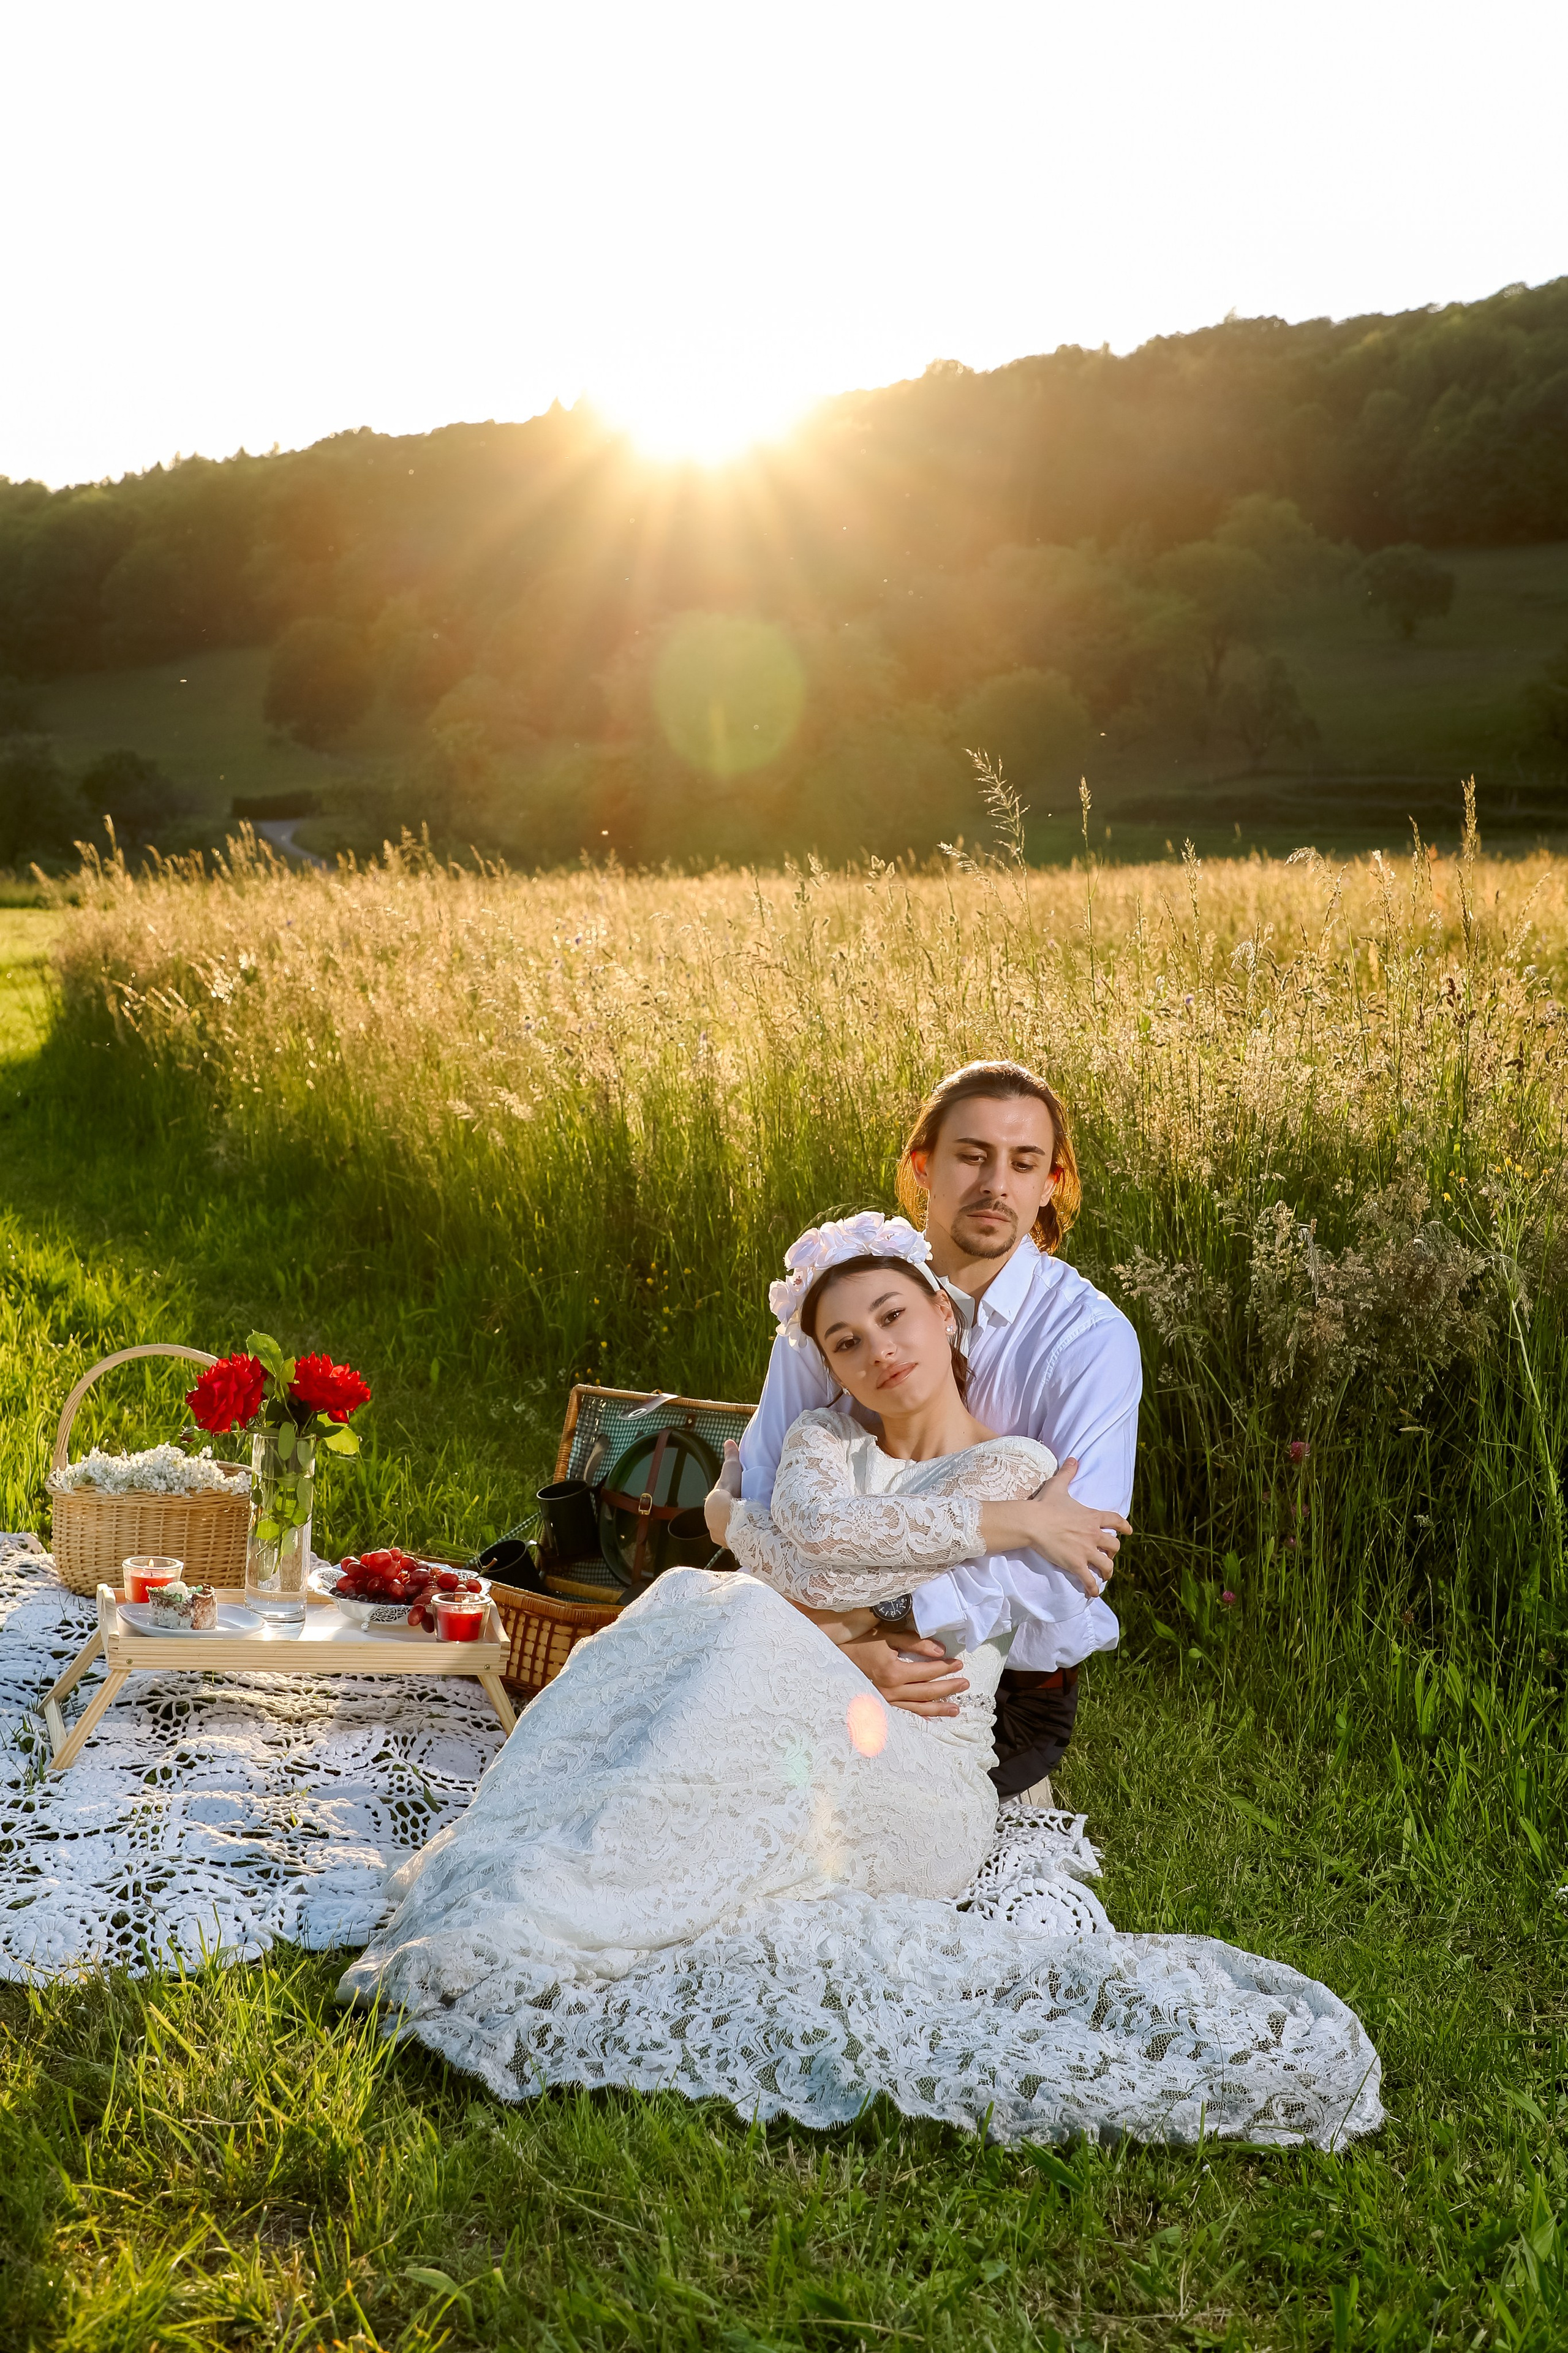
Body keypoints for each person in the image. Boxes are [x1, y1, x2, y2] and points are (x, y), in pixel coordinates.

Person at [339, 1218, 1382, 2151]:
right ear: (829, 1365)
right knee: (693, 1607)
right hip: (817, 1711)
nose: (878, 1349)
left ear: (942, 1314)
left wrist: (743, 1527)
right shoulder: (824, 1439)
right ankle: (562, 1872)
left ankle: (571, 1901)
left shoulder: (1018, 1467)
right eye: (845, 1341)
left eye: (893, 1315)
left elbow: (816, 1562)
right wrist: (853, 1584)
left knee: (737, 1612)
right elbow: (826, 1548)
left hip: (920, 1772)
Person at [726, 1059, 1141, 1799]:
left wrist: (873, 1627)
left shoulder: (1089, 1339)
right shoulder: (840, 1297)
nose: (996, 1184)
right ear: (923, 1166)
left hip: (988, 1683)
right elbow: (763, 1489)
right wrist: (838, 1644)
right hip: (810, 1628)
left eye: (1024, 1163)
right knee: (709, 1761)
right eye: (971, 1156)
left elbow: (1071, 1561)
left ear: (1050, 1183)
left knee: (824, 1810)